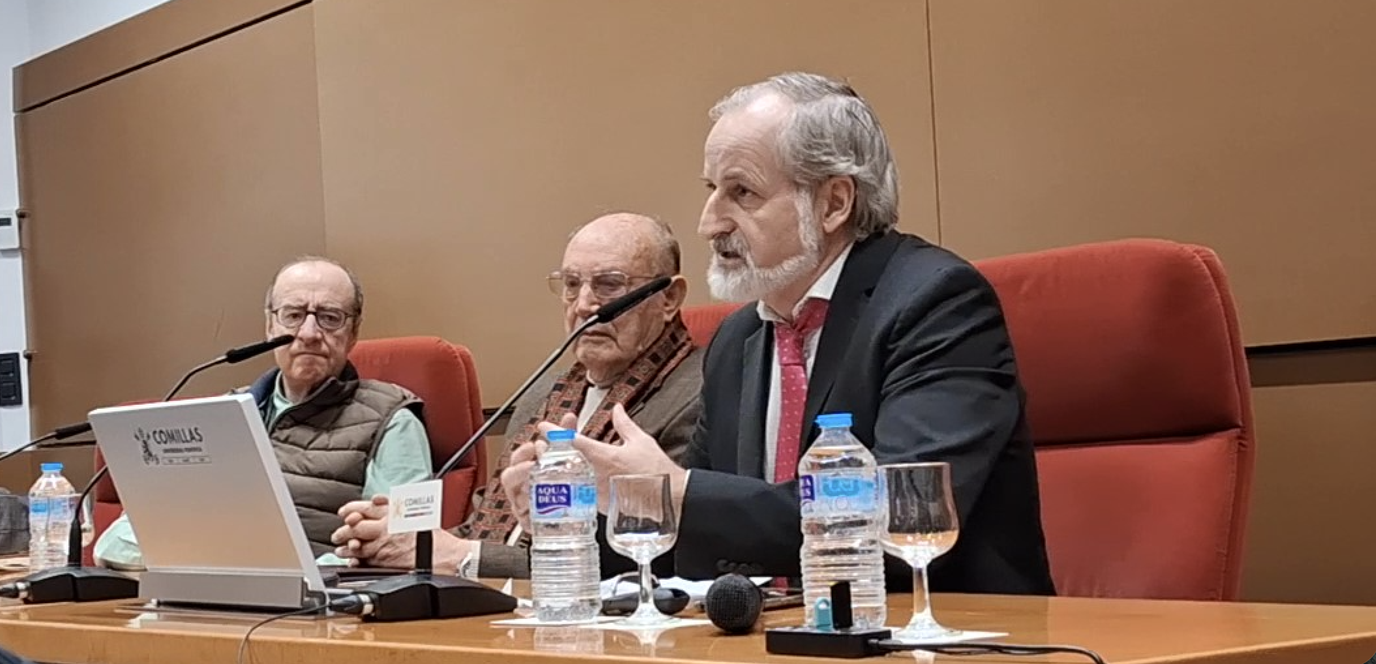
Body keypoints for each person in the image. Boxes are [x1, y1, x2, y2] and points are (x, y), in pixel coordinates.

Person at [502, 72, 1055, 595]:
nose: (708, 222)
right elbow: (701, 544)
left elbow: (897, 517)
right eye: (712, 189)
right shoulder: (738, 340)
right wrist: (573, 513)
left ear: (834, 202)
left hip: (947, 636)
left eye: (741, 192)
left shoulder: (936, 303)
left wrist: (673, 491)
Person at [330, 212, 705, 579]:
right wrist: (401, 540)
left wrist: (462, 558)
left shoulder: (700, 392)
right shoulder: (546, 392)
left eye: (609, 284)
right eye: (571, 284)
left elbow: (649, 553)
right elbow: (484, 531)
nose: (585, 304)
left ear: (669, 298)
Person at [93, 257, 433, 567]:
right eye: (293, 315)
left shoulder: (395, 419)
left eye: (330, 318)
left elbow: (404, 549)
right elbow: (113, 546)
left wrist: (301, 572)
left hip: (325, 612)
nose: (309, 334)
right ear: (270, 326)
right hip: (203, 600)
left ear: (353, 333)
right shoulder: (220, 418)